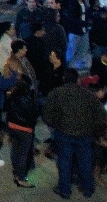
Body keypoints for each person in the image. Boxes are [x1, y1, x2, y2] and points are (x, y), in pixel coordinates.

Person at [41, 67, 107, 199]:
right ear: (77, 80)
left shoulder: (56, 93)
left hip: (63, 133)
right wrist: (91, 129)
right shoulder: (87, 95)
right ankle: (87, 189)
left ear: (64, 79)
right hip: (84, 135)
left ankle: (64, 189)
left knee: (64, 162)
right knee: (85, 162)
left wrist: (55, 125)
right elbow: (101, 117)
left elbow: (46, 114)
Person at [4, 76, 39, 188]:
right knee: (23, 154)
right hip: (25, 129)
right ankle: (21, 178)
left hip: (12, 126)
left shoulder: (12, 97)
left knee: (15, 151)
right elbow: (33, 115)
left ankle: (16, 172)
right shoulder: (28, 100)